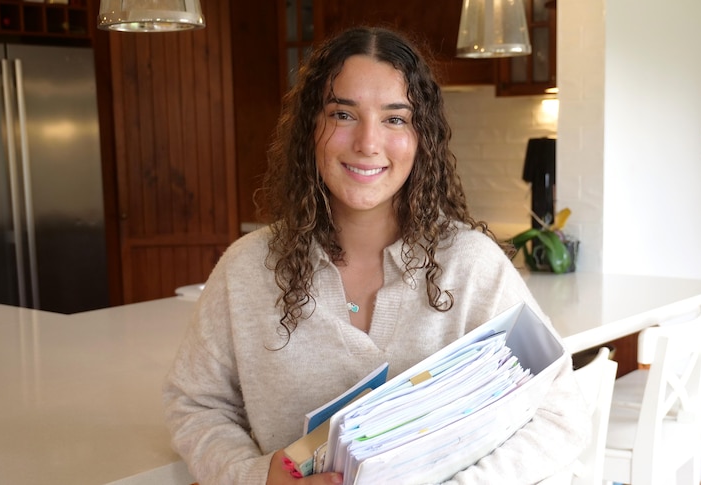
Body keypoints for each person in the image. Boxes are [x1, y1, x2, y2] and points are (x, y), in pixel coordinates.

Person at [163, 26, 589, 485]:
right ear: (311, 128)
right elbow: (196, 405)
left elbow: (558, 412)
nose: (368, 143)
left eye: (395, 119)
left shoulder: (472, 265)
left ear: (421, 136)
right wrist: (257, 477)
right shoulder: (247, 269)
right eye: (343, 114)